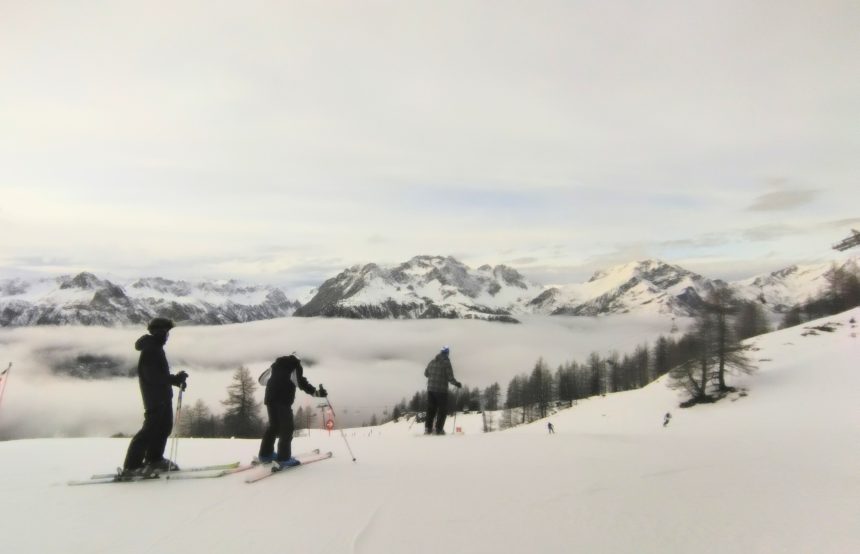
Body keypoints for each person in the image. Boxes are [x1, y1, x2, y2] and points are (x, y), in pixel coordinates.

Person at [122, 318, 188, 476]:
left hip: (162, 395)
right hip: (154, 397)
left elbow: (158, 375)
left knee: (164, 427)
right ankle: (132, 466)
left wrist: (175, 380)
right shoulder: (151, 349)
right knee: (150, 430)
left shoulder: (156, 348)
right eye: (166, 332)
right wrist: (174, 379)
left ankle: (154, 459)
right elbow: (152, 376)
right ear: (160, 332)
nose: (167, 336)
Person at [257, 354, 327, 466]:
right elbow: (300, 382)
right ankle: (284, 458)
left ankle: (265, 454)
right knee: (287, 429)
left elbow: (261, 380)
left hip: (270, 400)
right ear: (297, 360)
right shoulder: (294, 366)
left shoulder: (275, 365)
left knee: (274, 427)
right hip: (283, 401)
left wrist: (276, 381)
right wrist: (316, 392)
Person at [424, 346, 462, 435]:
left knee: (431, 409)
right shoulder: (446, 363)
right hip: (441, 391)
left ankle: (428, 429)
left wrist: (433, 376)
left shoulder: (432, 361)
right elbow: (450, 377)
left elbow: (426, 374)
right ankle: (439, 429)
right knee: (442, 410)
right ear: (447, 353)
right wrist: (456, 383)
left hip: (430, 390)